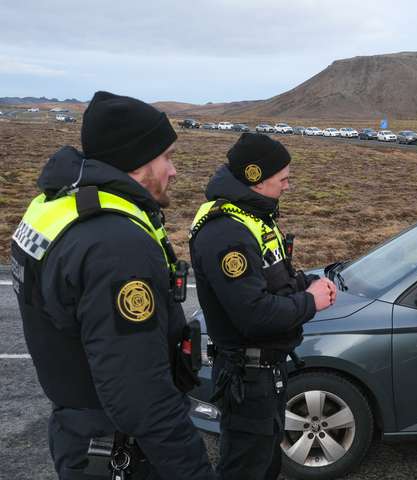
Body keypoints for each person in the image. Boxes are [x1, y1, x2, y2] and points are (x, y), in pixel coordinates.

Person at [10, 91, 216, 479]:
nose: (174, 171)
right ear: (137, 161)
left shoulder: (56, 206)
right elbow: (140, 396)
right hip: (116, 447)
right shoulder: (116, 246)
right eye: (167, 157)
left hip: (79, 429)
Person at [189, 133, 336, 480]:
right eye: (283, 178)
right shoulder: (227, 231)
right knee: (246, 467)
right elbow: (253, 315)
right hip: (247, 376)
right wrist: (310, 301)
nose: (288, 186)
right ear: (256, 177)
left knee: (265, 464)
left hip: (266, 374)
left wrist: (306, 284)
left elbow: (273, 279)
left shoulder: (254, 217)